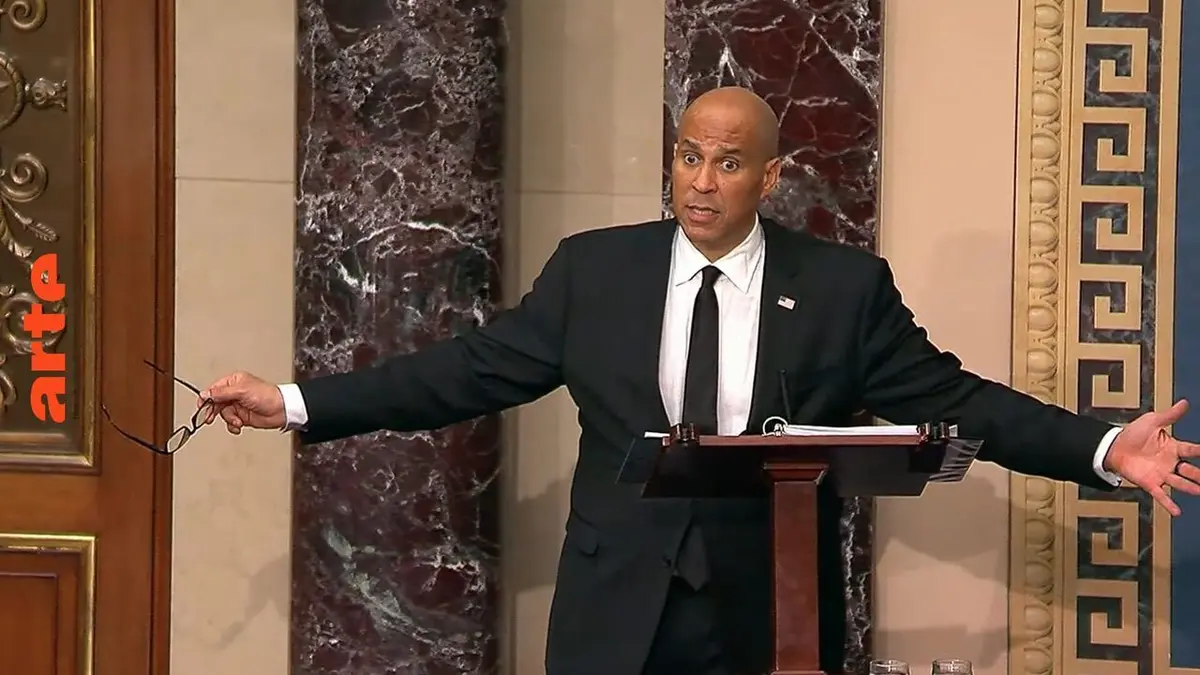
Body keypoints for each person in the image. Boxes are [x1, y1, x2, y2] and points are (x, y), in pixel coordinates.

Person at [199, 87, 1200, 675]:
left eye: (727, 163)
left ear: (770, 178)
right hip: (610, 610)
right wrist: (294, 401)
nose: (701, 181)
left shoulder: (841, 290)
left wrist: (1103, 447)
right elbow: (464, 373)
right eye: (688, 157)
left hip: (764, 613)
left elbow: (954, 397)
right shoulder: (596, 272)